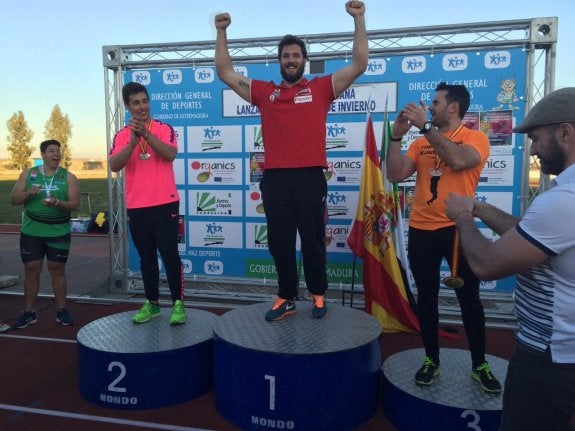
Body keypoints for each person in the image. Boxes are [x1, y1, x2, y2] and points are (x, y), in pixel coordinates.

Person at [214, 1, 368, 322]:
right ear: (279, 61)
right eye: (286, 55)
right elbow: (225, 73)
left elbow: (359, 63)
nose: (291, 59)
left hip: (311, 177)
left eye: (296, 55)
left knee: (312, 241)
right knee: (280, 243)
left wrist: (359, 19)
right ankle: (286, 297)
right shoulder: (263, 92)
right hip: (276, 179)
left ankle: (319, 295)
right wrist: (221, 32)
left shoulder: (321, 88)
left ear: (305, 60)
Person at [445, 87, 575, 431]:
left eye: (536, 138)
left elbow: (486, 264)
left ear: (565, 132)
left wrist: (462, 216)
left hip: (547, 355)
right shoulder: (563, 200)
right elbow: (532, 237)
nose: (532, 151)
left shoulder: (563, 200)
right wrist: (480, 207)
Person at [386, 83, 501, 393]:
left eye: (435, 103)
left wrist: (424, 127)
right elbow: (395, 175)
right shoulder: (420, 141)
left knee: (469, 299)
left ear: (453, 107)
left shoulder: (474, 138)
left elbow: (460, 160)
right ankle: (431, 360)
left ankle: (479, 364)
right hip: (421, 231)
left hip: (458, 230)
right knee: (427, 299)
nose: (430, 107)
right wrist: (396, 137)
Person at [109, 82, 186, 325]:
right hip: (137, 206)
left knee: (170, 255)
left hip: (165, 203)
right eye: (136, 102)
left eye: (145, 101)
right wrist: (132, 143)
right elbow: (114, 166)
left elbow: (170, 154)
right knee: (146, 258)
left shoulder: (164, 128)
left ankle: (178, 304)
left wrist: (147, 135)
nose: (142, 107)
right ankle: (152, 304)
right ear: (127, 106)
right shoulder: (122, 135)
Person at [9, 139, 80, 328]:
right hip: (32, 231)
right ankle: (30, 312)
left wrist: (58, 203)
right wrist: (29, 193)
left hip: (58, 231)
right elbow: (14, 199)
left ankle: (61, 310)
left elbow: (75, 204)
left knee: (57, 269)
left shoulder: (68, 177)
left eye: (58, 151)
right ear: (42, 155)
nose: (56, 154)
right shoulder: (29, 174)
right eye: (51, 151)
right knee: (32, 270)